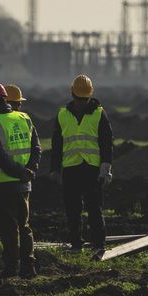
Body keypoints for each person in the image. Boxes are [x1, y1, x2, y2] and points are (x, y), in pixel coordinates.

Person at [0, 81, 41, 279]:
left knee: (8, 229)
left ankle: (10, 268)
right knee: (24, 226)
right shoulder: (24, 118)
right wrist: (29, 170)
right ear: (5, 99)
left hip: (1, 185)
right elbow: (36, 148)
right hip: (24, 185)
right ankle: (28, 267)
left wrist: (19, 172)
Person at [50, 74, 114, 257]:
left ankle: (98, 245)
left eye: (84, 99)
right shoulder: (62, 115)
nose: (81, 102)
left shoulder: (99, 114)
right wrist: (55, 168)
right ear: (72, 95)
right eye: (79, 99)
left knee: (94, 209)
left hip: (92, 169)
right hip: (70, 168)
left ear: (89, 96)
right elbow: (57, 144)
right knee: (72, 210)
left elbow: (107, 143)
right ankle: (76, 244)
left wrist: (105, 168)